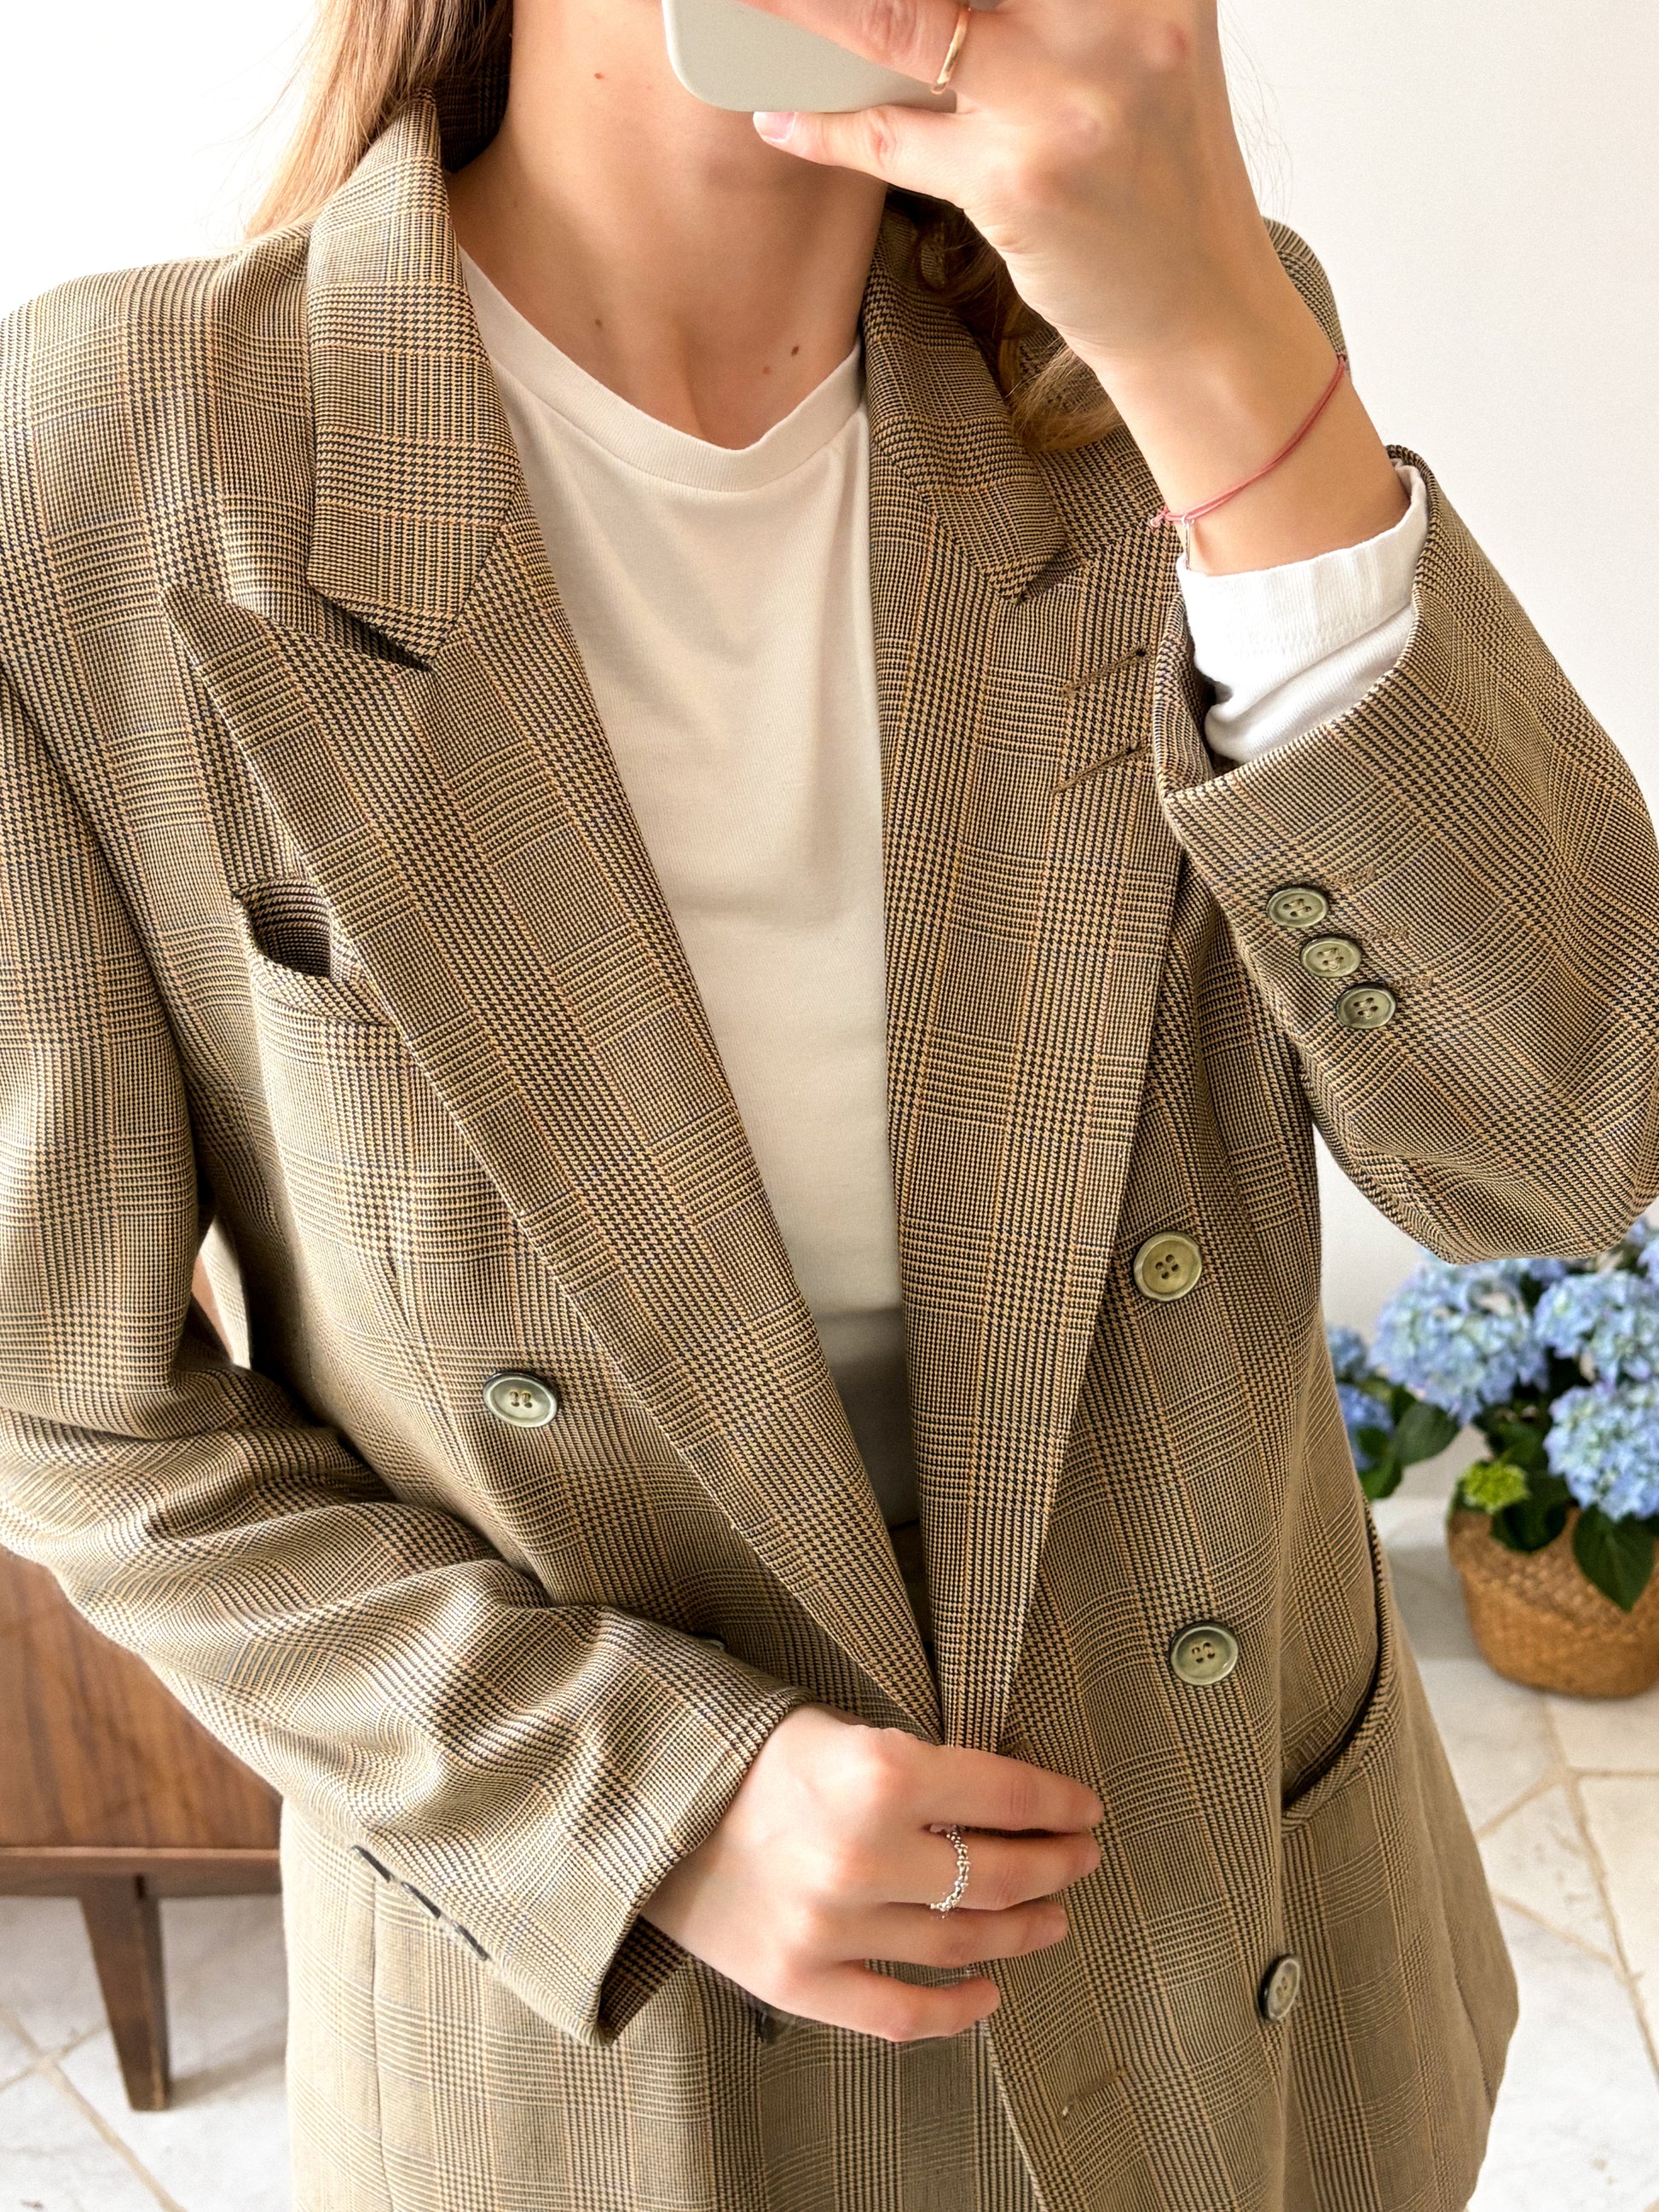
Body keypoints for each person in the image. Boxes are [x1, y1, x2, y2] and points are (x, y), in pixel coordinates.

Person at [2, 0, 1655, 2204]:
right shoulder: (126, 451)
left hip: (1223, 1928)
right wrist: (641, 1797)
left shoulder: (1162, 345)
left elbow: (1553, 1146)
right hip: (613, 2049)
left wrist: (1216, 348)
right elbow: (67, 1399)